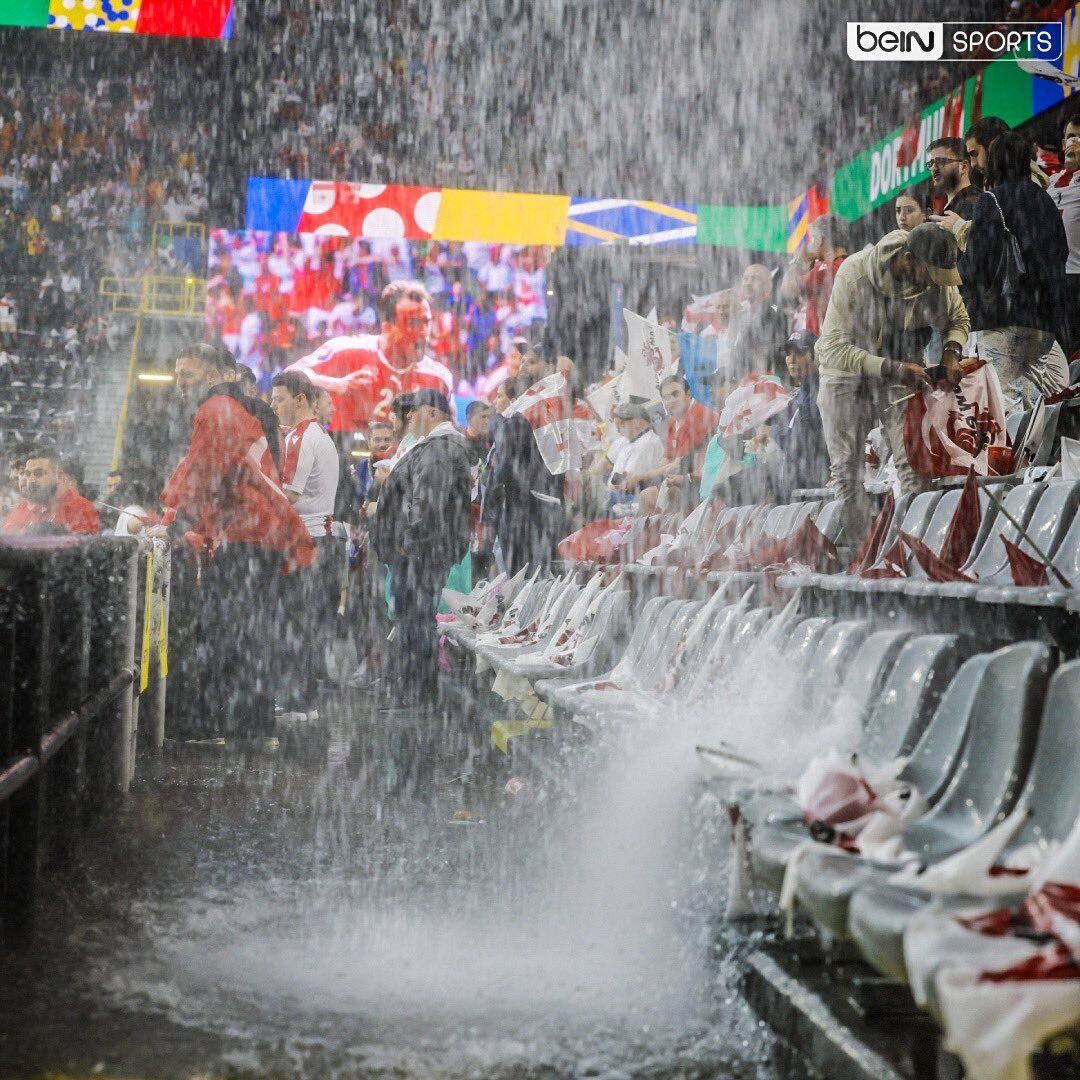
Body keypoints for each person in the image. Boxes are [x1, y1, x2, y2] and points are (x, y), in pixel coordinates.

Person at [159, 342, 313, 739]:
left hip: (246, 537)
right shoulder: (232, 409)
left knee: (222, 631)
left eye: (187, 375)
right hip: (259, 536)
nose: (179, 384)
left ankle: (217, 723)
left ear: (212, 376)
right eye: (177, 375)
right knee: (249, 633)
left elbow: (202, 472)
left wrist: (172, 518)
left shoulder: (215, 410)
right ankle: (251, 724)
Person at [817, 224, 970, 544]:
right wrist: (891, 368)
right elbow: (832, 348)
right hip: (844, 372)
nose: (934, 285)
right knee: (847, 473)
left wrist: (952, 351)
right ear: (908, 260)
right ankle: (864, 553)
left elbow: (958, 318)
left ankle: (914, 549)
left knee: (914, 465)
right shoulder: (854, 275)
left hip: (901, 366)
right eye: (930, 276)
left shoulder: (934, 276)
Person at [945, 130, 1071, 412]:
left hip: (1002, 316)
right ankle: (1037, 456)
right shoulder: (1045, 199)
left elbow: (977, 265)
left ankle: (1014, 455)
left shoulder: (992, 201)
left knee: (1005, 402)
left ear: (996, 163)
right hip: (1043, 320)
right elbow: (1061, 252)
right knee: (1033, 400)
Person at [371, 389, 471, 705]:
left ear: (430, 413)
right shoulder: (436, 447)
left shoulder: (439, 449)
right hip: (425, 552)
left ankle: (415, 691)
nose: (410, 419)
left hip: (421, 555)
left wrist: (409, 543)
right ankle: (414, 688)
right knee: (415, 618)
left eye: (414, 412)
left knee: (416, 619)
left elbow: (427, 502)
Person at [288, 279, 454, 433]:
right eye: (413, 323)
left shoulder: (438, 379)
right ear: (388, 327)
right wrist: (338, 385)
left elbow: (450, 438)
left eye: (427, 322)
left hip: (407, 463)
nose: (424, 332)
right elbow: (290, 376)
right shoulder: (348, 351)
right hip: (345, 458)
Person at [270, 370, 341, 721]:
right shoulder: (320, 436)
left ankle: (297, 701)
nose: (273, 405)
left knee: (296, 624)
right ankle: (304, 700)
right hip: (320, 540)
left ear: (300, 400)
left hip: (306, 542)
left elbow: (290, 494)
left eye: (279, 398)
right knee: (307, 625)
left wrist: (255, 491)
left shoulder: (301, 437)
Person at [483, 352, 566, 573]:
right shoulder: (547, 417)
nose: (495, 402)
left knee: (523, 576)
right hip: (545, 507)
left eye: (499, 396)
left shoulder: (515, 422)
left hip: (522, 512)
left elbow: (503, 471)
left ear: (514, 398)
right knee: (542, 573)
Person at [618, 375, 717, 494]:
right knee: (647, 493)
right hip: (688, 477)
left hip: (705, 479)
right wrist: (637, 476)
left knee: (657, 494)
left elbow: (679, 465)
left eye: (675, 394)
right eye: (666, 397)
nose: (671, 401)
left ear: (688, 393)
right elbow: (667, 460)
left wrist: (641, 477)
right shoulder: (673, 422)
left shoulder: (698, 415)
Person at [773, 330, 828, 498]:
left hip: (814, 486)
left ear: (815, 355)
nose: (792, 360)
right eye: (789, 354)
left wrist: (775, 433)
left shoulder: (819, 391)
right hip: (798, 485)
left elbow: (804, 442)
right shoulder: (800, 393)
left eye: (799, 353)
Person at [0, 446, 99, 535]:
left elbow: (80, 551)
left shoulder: (80, 508)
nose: (31, 480)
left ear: (59, 477)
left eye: (39, 474)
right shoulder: (25, 507)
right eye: (28, 474)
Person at [780, 214, 849, 337]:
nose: (811, 244)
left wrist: (798, 260)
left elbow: (788, 290)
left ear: (821, 240)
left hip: (825, 345)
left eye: (813, 238)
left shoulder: (827, 268)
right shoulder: (845, 264)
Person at [1046, 112, 1080, 356]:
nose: (1074, 142)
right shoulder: (1050, 181)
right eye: (1070, 136)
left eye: (1079, 137)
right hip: (1055, 283)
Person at [730, 263, 787, 377]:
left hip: (768, 382)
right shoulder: (740, 317)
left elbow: (777, 353)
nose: (748, 283)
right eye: (745, 279)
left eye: (754, 279)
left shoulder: (776, 314)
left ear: (768, 286)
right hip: (744, 382)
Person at [927, 136, 981, 220]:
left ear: (963, 167)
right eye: (930, 164)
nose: (934, 168)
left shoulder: (976, 202)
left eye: (941, 161)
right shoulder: (950, 208)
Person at [965, 116, 1010, 189]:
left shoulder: (1028, 179)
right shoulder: (988, 183)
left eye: (974, 153)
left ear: (994, 147)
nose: (973, 164)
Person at [462, 400, 492, 466]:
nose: (487, 421)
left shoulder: (491, 441)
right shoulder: (460, 444)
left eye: (488, 417)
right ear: (469, 418)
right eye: (483, 417)